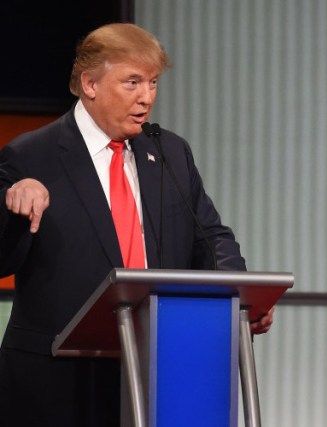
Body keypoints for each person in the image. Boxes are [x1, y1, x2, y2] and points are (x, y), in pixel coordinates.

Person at [0, 23, 274, 425]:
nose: (146, 97)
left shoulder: (168, 152)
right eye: (132, 82)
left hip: (155, 369)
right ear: (90, 84)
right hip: (55, 380)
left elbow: (210, 237)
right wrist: (13, 212)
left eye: (153, 83)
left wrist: (240, 300)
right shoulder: (31, 155)